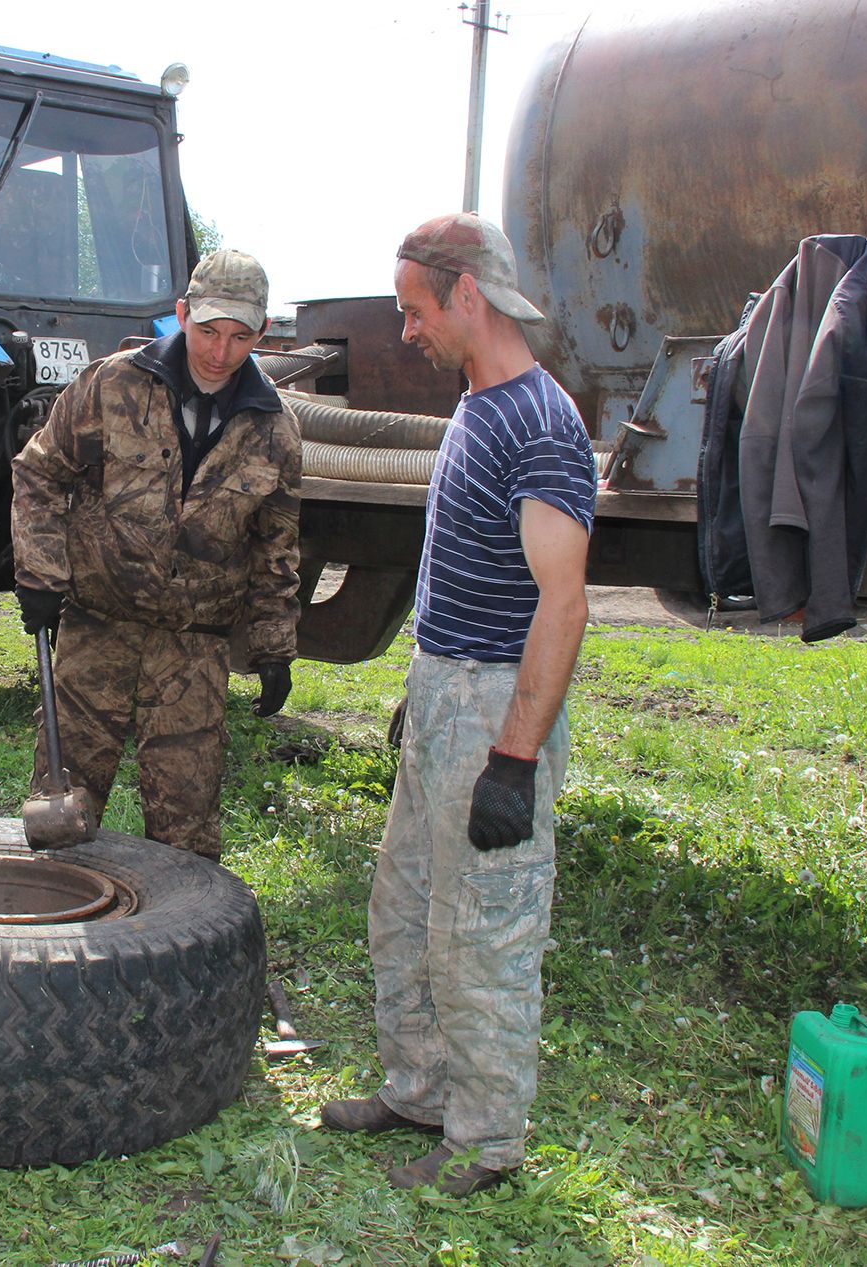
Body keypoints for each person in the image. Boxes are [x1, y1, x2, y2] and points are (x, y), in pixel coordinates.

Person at [319, 214, 595, 1195]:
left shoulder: (540, 422)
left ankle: (486, 1138)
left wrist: (512, 758)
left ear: (465, 296)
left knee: (483, 932)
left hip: (492, 706)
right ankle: (420, 1090)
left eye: (414, 311)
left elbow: (562, 602)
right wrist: (420, 700)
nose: (406, 331)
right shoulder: (477, 404)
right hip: (444, 689)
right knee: (406, 908)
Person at [10, 250, 300, 862]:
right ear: (181, 313)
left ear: (263, 333)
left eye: (240, 336)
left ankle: (179, 949)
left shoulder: (275, 431)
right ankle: (51, 943)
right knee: (61, 816)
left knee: (187, 834)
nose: (220, 352)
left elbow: (276, 549)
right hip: (98, 628)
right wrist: (39, 571)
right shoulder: (109, 385)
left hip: (193, 648)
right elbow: (39, 474)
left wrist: (274, 647)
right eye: (208, 331)